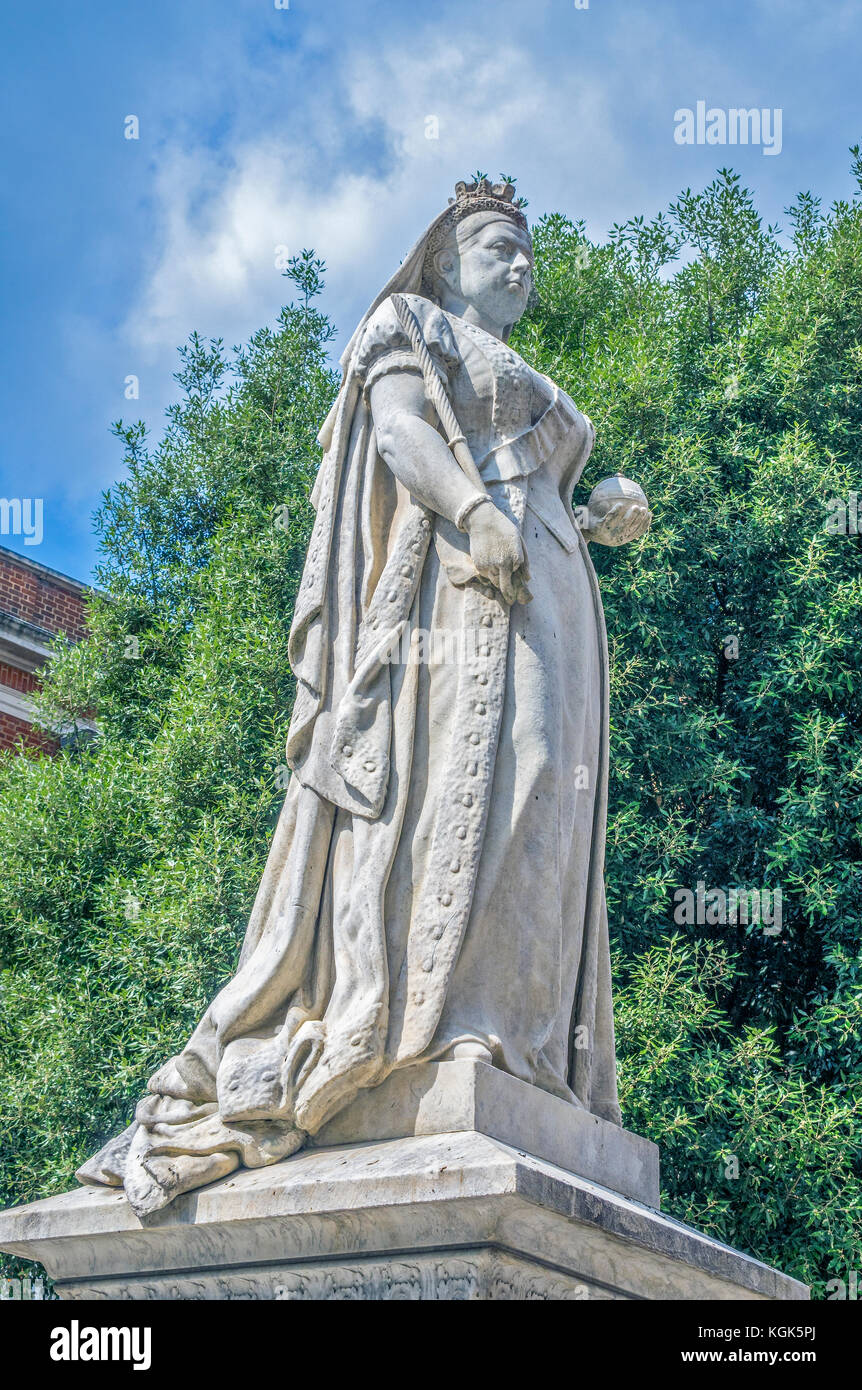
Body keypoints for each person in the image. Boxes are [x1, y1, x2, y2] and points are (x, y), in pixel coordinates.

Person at [78, 177, 651, 1216]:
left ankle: (520, 1042)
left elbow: (552, 481)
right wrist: (477, 511)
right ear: (443, 259)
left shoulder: (535, 374)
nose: (517, 265)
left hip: (557, 594)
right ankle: (450, 1023)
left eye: (527, 252)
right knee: (497, 780)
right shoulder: (408, 321)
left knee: (552, 820)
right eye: (494, 247)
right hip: (466, 585)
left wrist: (597, 504)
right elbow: (399, 434)